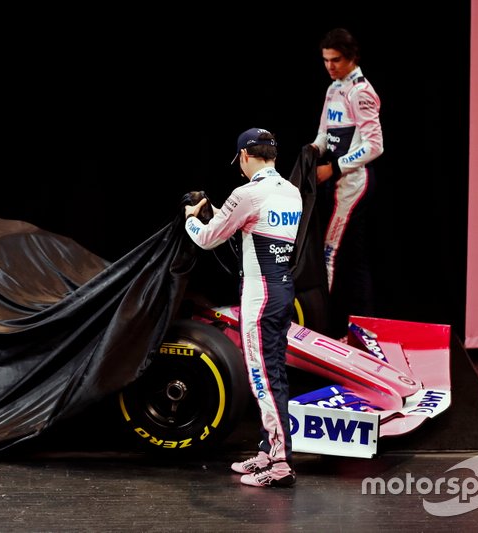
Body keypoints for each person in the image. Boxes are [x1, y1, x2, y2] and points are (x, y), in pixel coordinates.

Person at [183, 127, 302, 488]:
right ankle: (268, 450)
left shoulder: (247, 193)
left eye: (240, 162)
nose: (240, 169)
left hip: (260, 298)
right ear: (274, 156)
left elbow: (207, 239)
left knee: (264, 381)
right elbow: (249, 225)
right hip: (282, 293)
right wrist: (218, 211)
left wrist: (191, 216)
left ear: (246, 157)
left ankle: (281, 465)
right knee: (274, 375)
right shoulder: (291, 191)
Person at [309, 27, 384, 340]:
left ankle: (333, 333)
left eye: (336, 60)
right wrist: (310, 154)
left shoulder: (361, 92)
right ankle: (348, 332)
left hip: (353, 185)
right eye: (326, 60)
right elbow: (324, 136)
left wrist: (334, 168)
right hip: (335, 183)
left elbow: (375, 146)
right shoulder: (333, 89)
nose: (330, 66)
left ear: (352, 57)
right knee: (346, 257)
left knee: (332, 255)